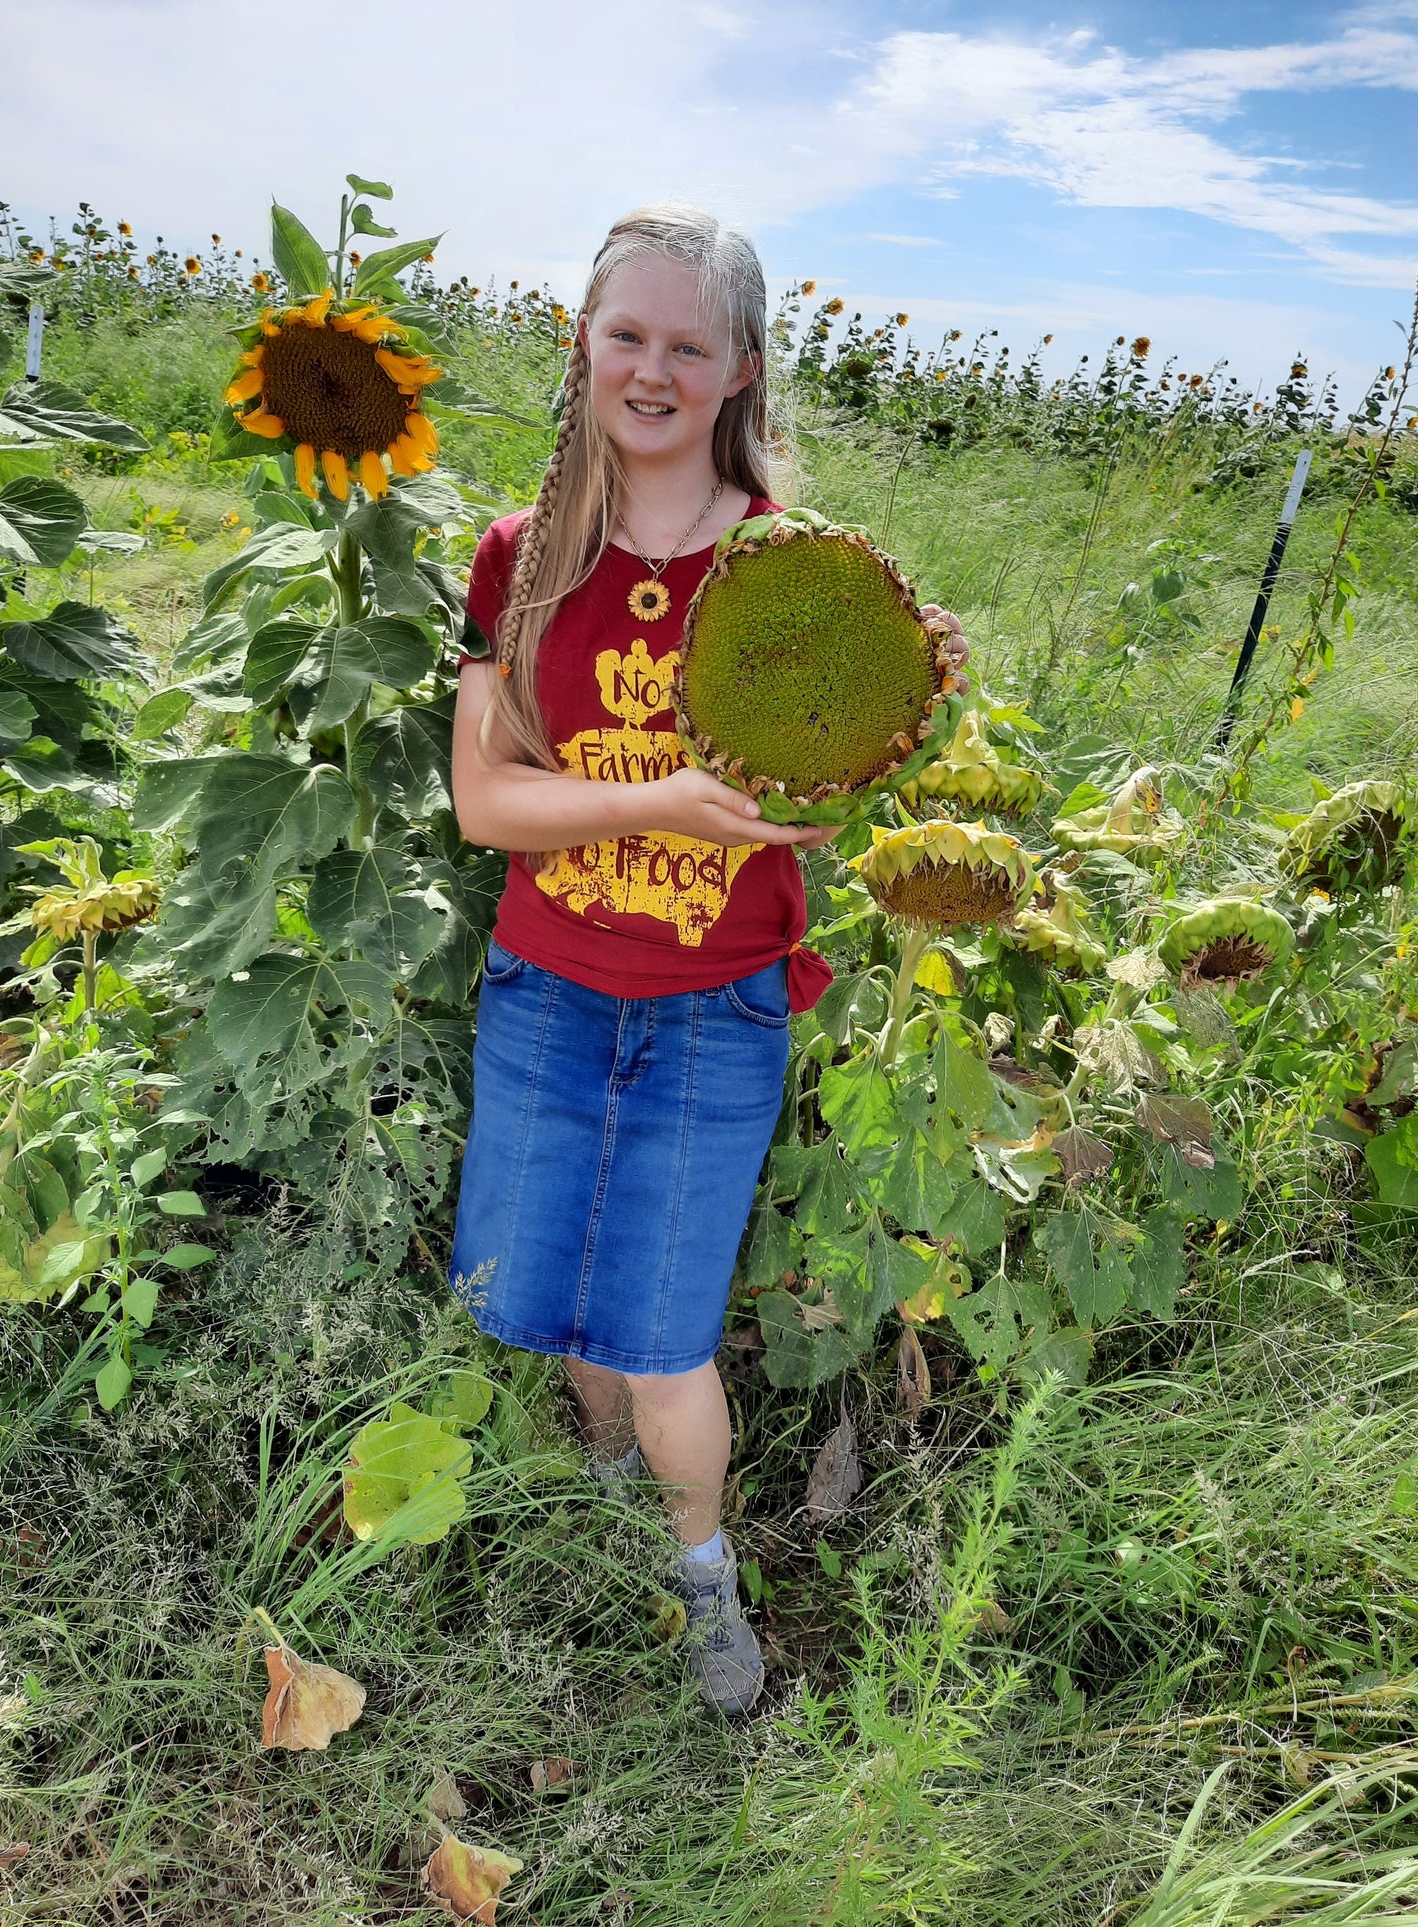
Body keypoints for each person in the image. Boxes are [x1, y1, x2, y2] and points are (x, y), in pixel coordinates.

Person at [450, 204, 967, 1716]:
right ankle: (606, 1490)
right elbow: (489, 803)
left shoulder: (800, 575)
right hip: (545, 986)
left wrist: (898, 688)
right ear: (584, 347)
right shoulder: (521, 555)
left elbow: (833, 788)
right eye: (628, 336)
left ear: (742, 367)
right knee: (550, 1306)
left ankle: (701, 1575)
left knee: (665, 1328)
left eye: (690, 343)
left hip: (711, 1007)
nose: (654, 369)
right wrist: (659, 800)